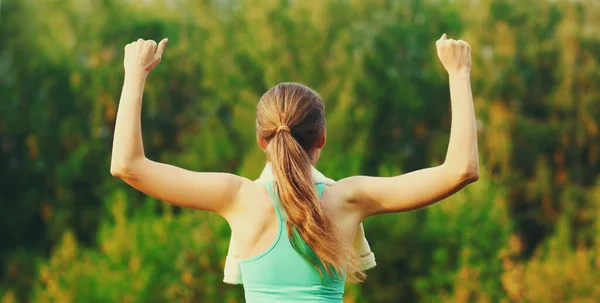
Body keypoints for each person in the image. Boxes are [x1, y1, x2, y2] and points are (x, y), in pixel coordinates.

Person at [110, 33, 479, 303]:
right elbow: (460, 169)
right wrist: (458, 73)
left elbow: (128, 166)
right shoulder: (350, 199)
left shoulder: (238, 198)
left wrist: (134, 74)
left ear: (261, 141)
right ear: (321, 138)